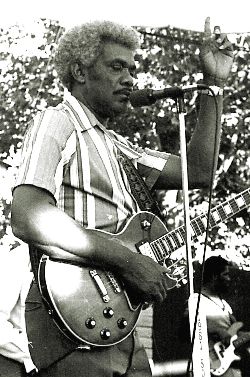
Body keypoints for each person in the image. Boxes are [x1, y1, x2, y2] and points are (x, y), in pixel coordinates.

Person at [10, 18, 233, 377]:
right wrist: (131, 263)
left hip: (121, 327)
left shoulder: (117, 146)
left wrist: (214, 85)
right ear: (80, 71)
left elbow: (199, 170)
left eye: (133, 69)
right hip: (74, 323)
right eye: (117, 67)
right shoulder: (56, 122)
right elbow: (27, 215)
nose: (130, 79)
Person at [200, 256, 250, 377]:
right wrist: (217, 330)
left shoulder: (225, 306)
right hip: (212, 364)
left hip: (232, 366)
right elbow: (186, 330)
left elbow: (234, 336)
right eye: (225, 274)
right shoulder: (197, 301)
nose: (229, 279)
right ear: (214, 277)